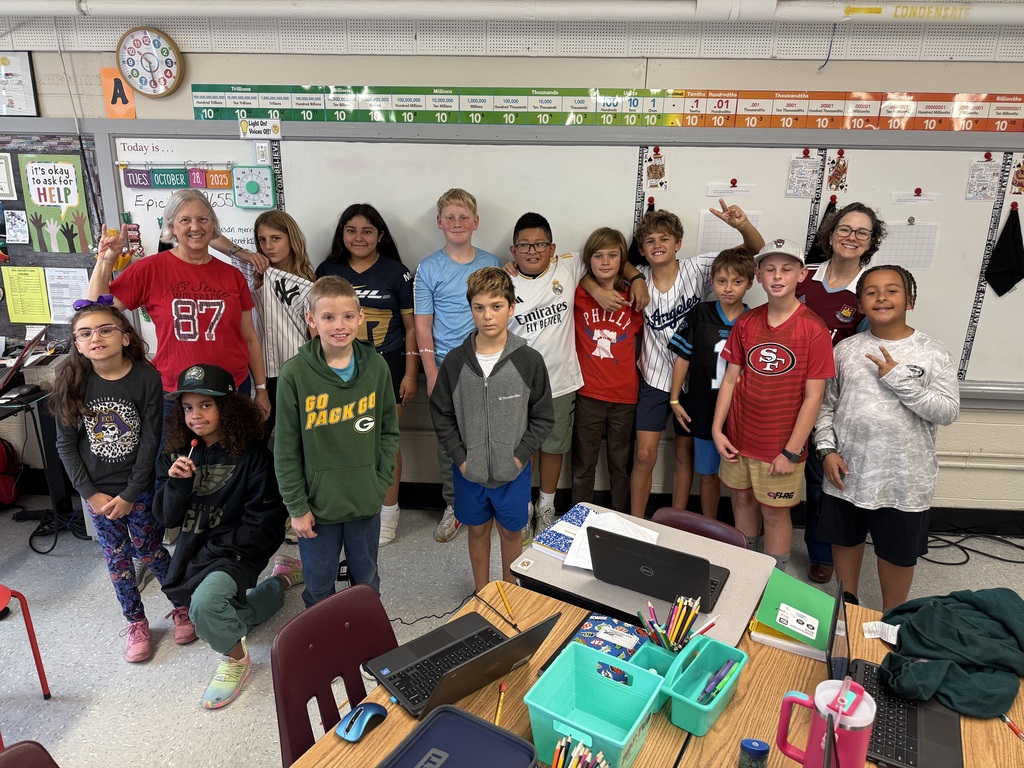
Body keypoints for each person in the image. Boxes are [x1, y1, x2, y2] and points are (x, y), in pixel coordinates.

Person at [51, 300, 195, 663]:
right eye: (85, 333)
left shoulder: (145, 377)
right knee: (116, 559)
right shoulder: (72, 380)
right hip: (97, 493)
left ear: (125, 336)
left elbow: (151, 439)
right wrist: (90, 495)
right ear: (77, 344)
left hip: (139, 487)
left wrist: (132, 493)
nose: (95, 338)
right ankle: (136, 621)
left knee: (149, 551)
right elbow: (65, 444)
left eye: (105, 329)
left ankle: (181, 606)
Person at [154, 364, 301, 709]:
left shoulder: (255, 459)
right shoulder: (175, 456)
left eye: (206, 405)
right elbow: (165, 518)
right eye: (188, 407)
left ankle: (236, 659)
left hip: (236, 552)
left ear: (228, 407)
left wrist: (209, 558)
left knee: (204, 607)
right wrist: (177, 485)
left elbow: (263, 526)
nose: (196, 415)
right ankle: (282, 581)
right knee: (233, 613)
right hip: (194, 550)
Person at [814, 266, 959, 611]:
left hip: (904, 479)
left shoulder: (932, 351)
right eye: (871, 292)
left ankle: (893, 615)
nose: (882, 297)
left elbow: (947, 411)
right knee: (845, 539)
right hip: (847, 471)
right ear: (860, 305)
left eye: (892, 291)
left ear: (910, 299)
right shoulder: (845, 350)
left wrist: (898, 378)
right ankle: (847, 606)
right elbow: (825, 405)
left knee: (896, 550)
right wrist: (826, 449)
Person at [505, 212, 648, 539]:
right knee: (520, 449)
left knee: (554, 448)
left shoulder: (567, 266)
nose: (532, 250)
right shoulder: (504, 280)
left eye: (539, 244)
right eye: (524, 245)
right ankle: (522, 508)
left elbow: (611, 258)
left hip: (563, 382)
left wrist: (637, 278)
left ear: (552, 248)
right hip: (519, 384)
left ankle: (546, 506)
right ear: (513, 251)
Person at [630, 201, 764, 518]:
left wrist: (741, 224)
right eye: (650, 241)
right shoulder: (640, 277)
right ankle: (635, 521)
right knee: (645, 453)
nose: (658, 245)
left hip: (696, 380)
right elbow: (609, 264)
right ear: (642, 249)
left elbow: (754, 251)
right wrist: (633, 276)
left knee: (684, 451)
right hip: (654, 377)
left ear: (678, 244)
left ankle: (678, 520)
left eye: (665, 239)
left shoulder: (699, 267)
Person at [90, 189, 271, 421]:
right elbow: (95, 312)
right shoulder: (149, 269)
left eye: (202, 219)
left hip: (231, 390)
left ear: (212, 225)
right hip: (174, 394)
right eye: (185, 220)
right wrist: (105, 262)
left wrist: (262, 389)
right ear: (172, 227)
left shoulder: (232, 276)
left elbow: (250, 338)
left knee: (233, 457)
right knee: (173, 457)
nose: (195, 227)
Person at [274, 276, 399, 606]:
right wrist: (297, 508)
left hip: (364, 500)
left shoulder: (377, 366)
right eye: (328, 317)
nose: (339, 325)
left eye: (347, 316)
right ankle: (324, 644)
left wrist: (378, 482)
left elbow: (388, 430)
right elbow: (286, 449)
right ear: (311, 320)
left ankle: (365, 638)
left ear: (360, 317)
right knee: (318, 581)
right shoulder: (295, 374)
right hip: (316, 508)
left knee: (366, 577)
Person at [711, 239, 835, 570]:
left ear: (801, 275)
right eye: (769, 269)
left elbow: (814, 396)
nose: (777, 276)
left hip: (780, 448)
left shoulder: (814, 329)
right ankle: (744, 569)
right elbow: (730, 379)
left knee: (775, 512)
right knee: (742, 501)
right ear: (759, 276)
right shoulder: (747, 323)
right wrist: (717, 430)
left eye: (786, 269)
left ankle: (772, 578)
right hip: (738, 439)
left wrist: (792, 452)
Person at [429, 268, 554, 593]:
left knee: (512, 533)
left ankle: (509, 594)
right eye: (479, 307)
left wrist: (519, 457)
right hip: (469, 472)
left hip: (512, 472)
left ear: (511, 307)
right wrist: (461, 458)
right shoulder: (456, 362)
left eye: (496, 306)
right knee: (478, 530)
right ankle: (483, 593)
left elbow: (543, 417)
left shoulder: (529, 361)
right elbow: (441, 413)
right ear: (470, 308)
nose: (488, 316)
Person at [316, 204, 417, 546]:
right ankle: (349, 507)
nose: (358, 238)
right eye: (351, 230)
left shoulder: (396, 272)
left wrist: (411, 373)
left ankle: (389, 512)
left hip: (387, 368)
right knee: (340, 440)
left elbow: (411, 327)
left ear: (381, 236)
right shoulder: (328, 270)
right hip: (338, 369)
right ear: (341, 234)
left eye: (367, 231)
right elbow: (316, 325)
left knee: (384, 442)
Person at [798, 202, 888, 584]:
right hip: (787, 391)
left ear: (871, 242)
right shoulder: (802, 276)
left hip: (832, 400)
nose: (852, 237)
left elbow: (872, 347)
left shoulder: (870, 287)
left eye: (861, 232)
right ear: (831, 235)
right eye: (845, 229)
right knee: (774, 470)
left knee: (821, 482)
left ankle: (821, 553)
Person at [414, 188, 501, 543]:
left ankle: (491, 500)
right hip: (447, 367)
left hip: (487, 364)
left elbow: (500, 314)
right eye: (449, 217)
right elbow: (422, 323)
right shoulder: (428, 267)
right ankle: (455, 505)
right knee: (449, 439)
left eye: (464, 217)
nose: (457, 223)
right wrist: (432, 372)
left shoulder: (491, 262)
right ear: (439, 223)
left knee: (490, 433)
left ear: (476, 222)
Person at [667, 247, 755, 519]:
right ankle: (708, 527)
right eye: (721, 281)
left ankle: (723, 528)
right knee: (706, 475)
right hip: (702, 405)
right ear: (712, 282)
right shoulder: (700, 313)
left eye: (737, 281)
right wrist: (674, 399)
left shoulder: (753, 320)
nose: (728, 288)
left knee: (739, 478)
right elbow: (683, 357)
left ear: (750, 283)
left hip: (737, 410)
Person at [571, 227, 643, 514]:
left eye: (612, 255)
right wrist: (596, 289)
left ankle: (619, 521)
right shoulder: (579, 292)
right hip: (588, 393)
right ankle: (577, 519)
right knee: (583, 465)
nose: (605, 261)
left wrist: (637, 279)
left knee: (620, 466)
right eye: (598, 256)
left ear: (622, 259)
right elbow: (584, 278)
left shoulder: (635, 298)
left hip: (625, 396)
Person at [251, 210, 317, 441]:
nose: (268, 246)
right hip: (261, 372)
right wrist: (247, 255)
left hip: (296, 369)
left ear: (291, 239)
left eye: (276, 238)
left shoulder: (309, 283)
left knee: (296, 436)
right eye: (262, 239)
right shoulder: (255, 273)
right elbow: (216, 239)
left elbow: (316, 337)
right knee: (259, 435)